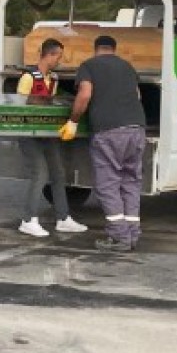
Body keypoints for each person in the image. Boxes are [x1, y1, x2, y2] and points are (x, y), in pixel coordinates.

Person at [61, 35, 147, 252]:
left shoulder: (89, 65)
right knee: (130, 181)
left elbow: (85, 94)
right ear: (113, 49)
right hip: (137, 128)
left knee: (108, 184)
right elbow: (137, 95)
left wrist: (73, 120)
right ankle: (132, 234)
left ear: (96, 49)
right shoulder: (127, 66)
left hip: (109, 131)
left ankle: (119, 237)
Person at [16, 38, 87, 237]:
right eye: (59, 57)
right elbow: (19, 106)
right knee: (39, 173)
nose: (59, 61)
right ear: (50, 55)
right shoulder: (28, 77)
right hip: (29, 133)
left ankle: (63, 218)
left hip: (47, 133)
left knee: (58, 173)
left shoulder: (53, 79)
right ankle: (28, 219)